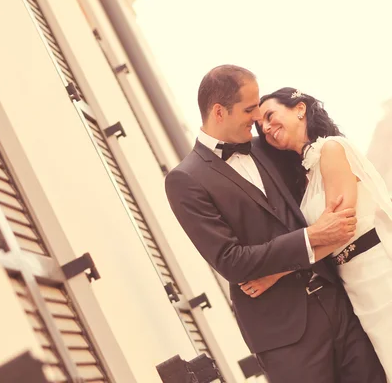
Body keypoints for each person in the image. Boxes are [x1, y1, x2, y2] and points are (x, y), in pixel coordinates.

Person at [164, 65, 386, 382]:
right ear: (219, 112)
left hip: (343, 304)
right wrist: (310, 238)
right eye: (250, 108)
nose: (258, 119)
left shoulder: (267, 148)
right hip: (284, 335)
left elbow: (317, 167)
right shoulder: (184, 180)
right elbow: (231, 261)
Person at [245, 87, 392, 379]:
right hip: (353, 283)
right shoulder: (304, 175)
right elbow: (321, 234)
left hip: (379, 271)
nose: (267, 128)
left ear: (299, 108)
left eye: (271, 116)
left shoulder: (332, 148)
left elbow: (339, 227)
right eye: (261, 127)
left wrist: (275, 273)